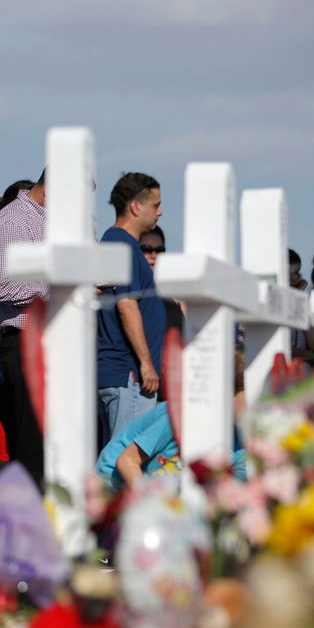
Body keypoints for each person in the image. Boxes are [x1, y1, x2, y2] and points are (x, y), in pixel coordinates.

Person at [97, 350, 246, 489]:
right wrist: (150, 504)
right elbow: (126, 462)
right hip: (114, 482)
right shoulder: (178, 416)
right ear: (226, 391)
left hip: (158, 486)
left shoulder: (238, 440)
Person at [97, 172, 167, 447]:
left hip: (125, 374)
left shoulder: (121, 244)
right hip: (128, 374)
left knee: (120, 458)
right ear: (135, 207)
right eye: (155, 205)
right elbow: (126, 305)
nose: (159, 212)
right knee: (123, 459)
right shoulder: (120, 244)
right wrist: (146, 363)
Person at [0, 171, 48, 488]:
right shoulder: (14, 220)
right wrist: (61, 289)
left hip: (50, 348)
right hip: (25, 346)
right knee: (32, 457)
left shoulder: (48, 222)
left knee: (49, 456)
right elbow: (4, 285)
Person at [138, 225, 184, 334]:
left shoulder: (176, 295)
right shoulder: (121, 292)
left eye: (159, 250)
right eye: (146, 249)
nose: (154, 255)